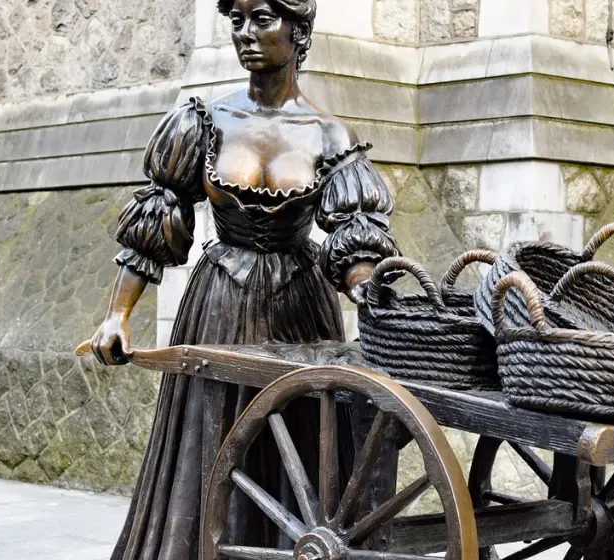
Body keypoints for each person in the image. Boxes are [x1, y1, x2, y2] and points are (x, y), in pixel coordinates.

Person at [77, 0, 399, 557]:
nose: (246, 34)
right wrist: (117, 315)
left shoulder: (329, 135)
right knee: (209, 442)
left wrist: (366, 288)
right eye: (237, 21)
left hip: (299, 311)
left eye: (262, 19)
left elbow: (353, 242)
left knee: (300, 444)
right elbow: (155, 223)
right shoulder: (202, 122)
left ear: (298, 32)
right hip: (219, 302)